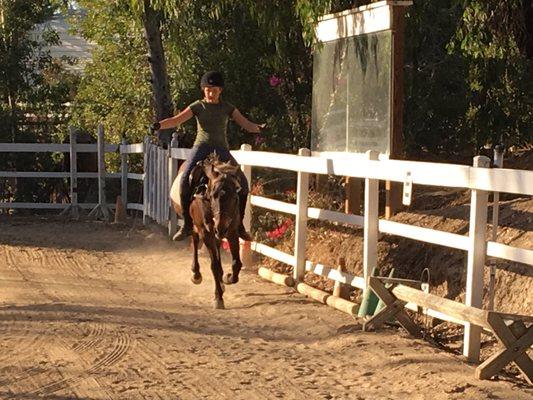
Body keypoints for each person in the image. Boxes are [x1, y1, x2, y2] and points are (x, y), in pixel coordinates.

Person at [152, 71, 264, 241]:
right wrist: (159, 125)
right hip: (201, 147)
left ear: (220, 91)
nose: (211, 93)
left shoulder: (227, 108)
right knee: (184, 179)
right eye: (207, 89)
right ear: (203, 90)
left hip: (222, 149)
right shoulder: (198, 106)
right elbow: (176, 120)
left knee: (243, 183)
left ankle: (239, 225)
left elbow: (246, 124)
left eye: (214, 90)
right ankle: (187, 225)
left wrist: (259, 128)